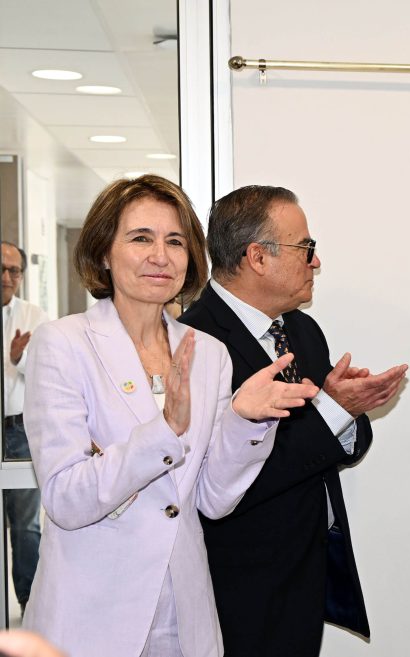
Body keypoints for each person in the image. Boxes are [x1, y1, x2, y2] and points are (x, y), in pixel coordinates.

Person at [22, 175, 319, 657]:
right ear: (104, 252)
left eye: (175, 242)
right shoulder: (63, 344)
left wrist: (246, 421)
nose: (160, 256)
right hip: (92, 613)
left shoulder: (209, 354)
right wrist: (163, 432)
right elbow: (66, 497)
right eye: (141, 238)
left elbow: (212, 499)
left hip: (183, 613)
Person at [179, 185, 408, 656]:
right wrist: (335, 410)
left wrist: (349, 408)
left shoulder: (300, 329)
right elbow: (229, 479)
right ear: (257, 257)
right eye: (306, 249)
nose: (316, 262)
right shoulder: (197, 342)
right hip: (238, 586)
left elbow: (338, 442)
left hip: (304, 572)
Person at [1, 241, 48, 612]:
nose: (6, 277)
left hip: (17, 430)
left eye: (13, 270)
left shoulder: (34, 316)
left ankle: (29, 606)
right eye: (1, 269)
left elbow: (48, 374)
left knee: (26, 526)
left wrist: (20, 357)